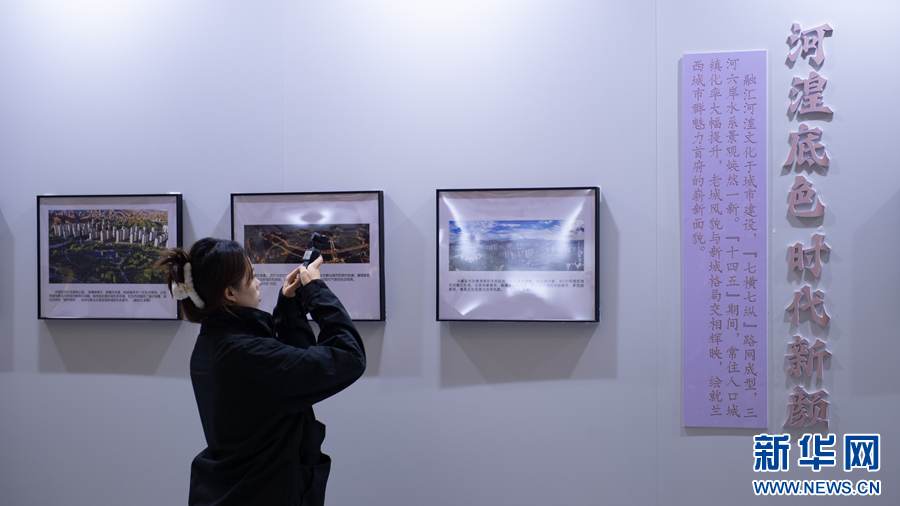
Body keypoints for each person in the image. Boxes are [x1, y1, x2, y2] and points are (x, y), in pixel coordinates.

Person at [155, 238, 366, 506]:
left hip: (236, 490)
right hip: (265, 492)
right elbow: (349, 358)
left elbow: (292, 380)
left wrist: (289, 306)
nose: (257, 283)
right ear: (230, 293)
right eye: (252, 276)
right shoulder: (248, 355)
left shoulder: (215, 343)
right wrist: (315, 291)